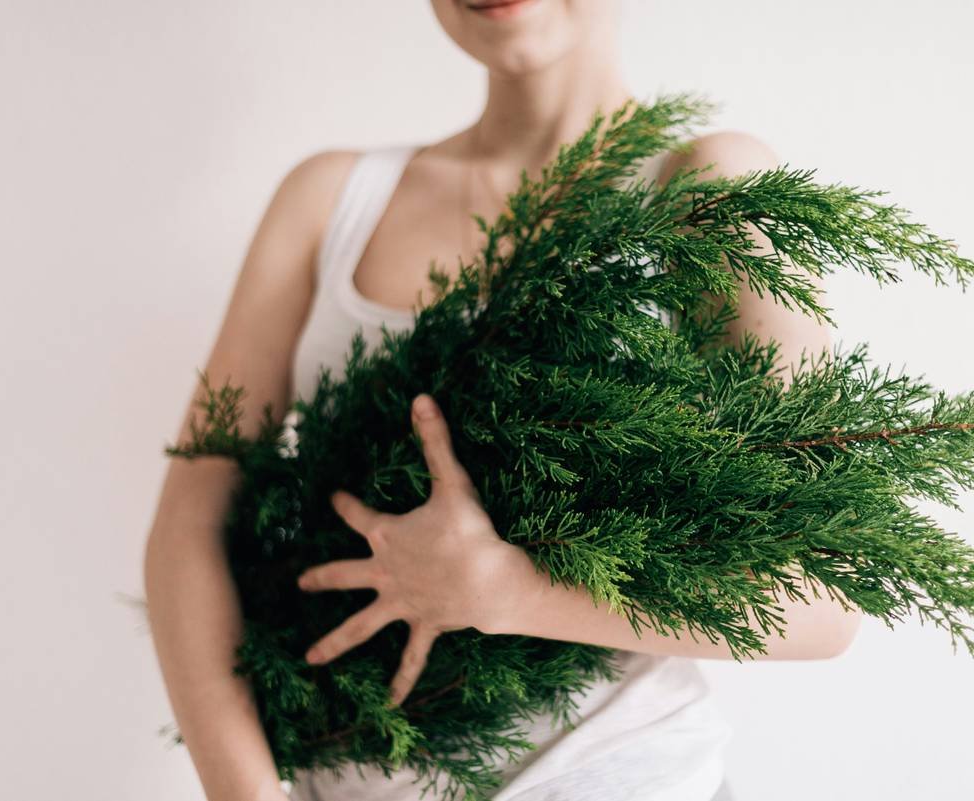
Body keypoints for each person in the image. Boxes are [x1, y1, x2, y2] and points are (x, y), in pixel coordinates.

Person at [142, 2, 864, 800]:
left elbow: (821, 595)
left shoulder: (706, 190)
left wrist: (506, 588)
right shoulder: (332, 199)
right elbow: (193, 511)